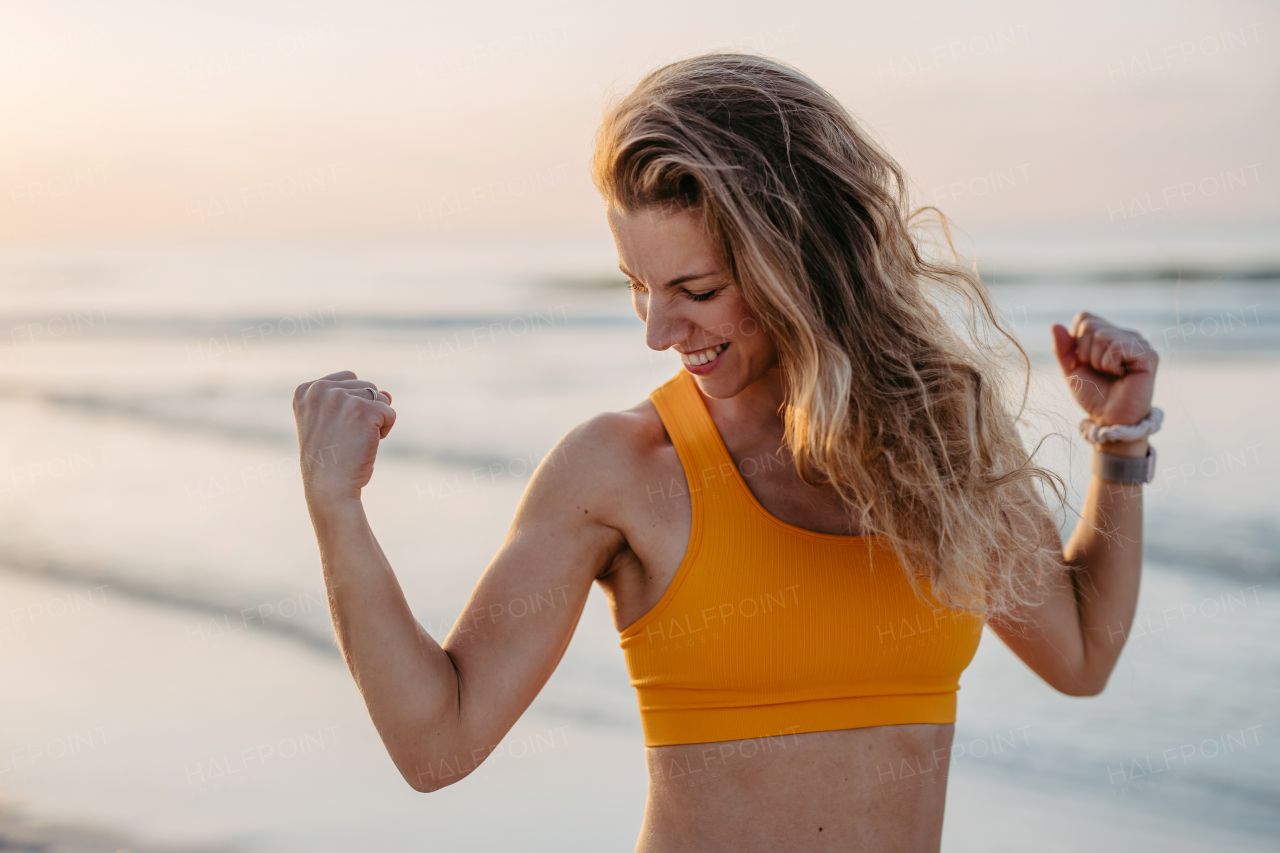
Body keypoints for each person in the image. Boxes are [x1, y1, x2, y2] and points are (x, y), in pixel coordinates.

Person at [292, 54, 1160, 852]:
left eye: (696, 291)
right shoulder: (620, 469)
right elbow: (436, 743)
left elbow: (1081, 653)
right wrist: (337, 506)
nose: (660, 331)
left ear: (803, 262)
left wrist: (1117, 441)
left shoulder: (938, 435)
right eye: (638, 287)